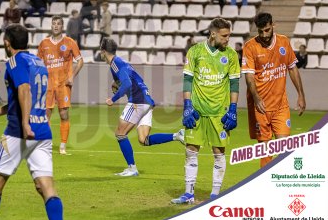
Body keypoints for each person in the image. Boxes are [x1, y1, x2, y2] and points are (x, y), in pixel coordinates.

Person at [0, 24, 63, 220]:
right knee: (46, 186)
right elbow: (22, 99)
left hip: (19, 133)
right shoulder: (38, 62)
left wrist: (24, 123)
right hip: (42, 132)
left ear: (7, 43)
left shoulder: (15, 61)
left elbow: (24, 90)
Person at [171, 18, 240, 204]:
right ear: (213, 34)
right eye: (224, 36)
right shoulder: (195, 52)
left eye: (229, 36)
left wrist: (233, 109)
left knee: (218, 153)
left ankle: (215, 196)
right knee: (191, 150)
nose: (227, 39)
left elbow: (234, 84)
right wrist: (187, 106)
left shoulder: (232, 55)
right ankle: (188, 193)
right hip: (197, 110)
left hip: (220, 112)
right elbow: (187, 81)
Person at [100, 38, 185, 177]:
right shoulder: (123, 63)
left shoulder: (115, 63)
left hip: (137, 101)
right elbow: (135, 80)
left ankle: (132, 168)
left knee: (120, 134)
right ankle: (177, 135)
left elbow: (127, 84)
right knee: (143, 139)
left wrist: (113, 99)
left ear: (103, 51)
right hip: (146, 100)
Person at [242, 12, 306, 168]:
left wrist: (301, 95)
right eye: (260, 31)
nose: (264, 35)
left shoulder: (284, 42)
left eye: (267, 30)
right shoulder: (250, 47)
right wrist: (256, 98)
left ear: (273, 25)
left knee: (284, 148)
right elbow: (249, 77)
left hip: (280, 106)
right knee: (265, 152)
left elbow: (293, 69)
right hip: (260, 107)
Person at [37, 15, 84, 155]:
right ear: (51, 26)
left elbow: (80, 61)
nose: (56, 26)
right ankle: (47, 144)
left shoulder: (70, 42)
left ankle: (62, 146)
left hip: (63, 84)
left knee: (64, 114)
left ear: (62, 26)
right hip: (48, 85)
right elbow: (38, 64)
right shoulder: (44, 43)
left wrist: (72, 76)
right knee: (46, 115)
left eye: (58, 24)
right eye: (54, 23)